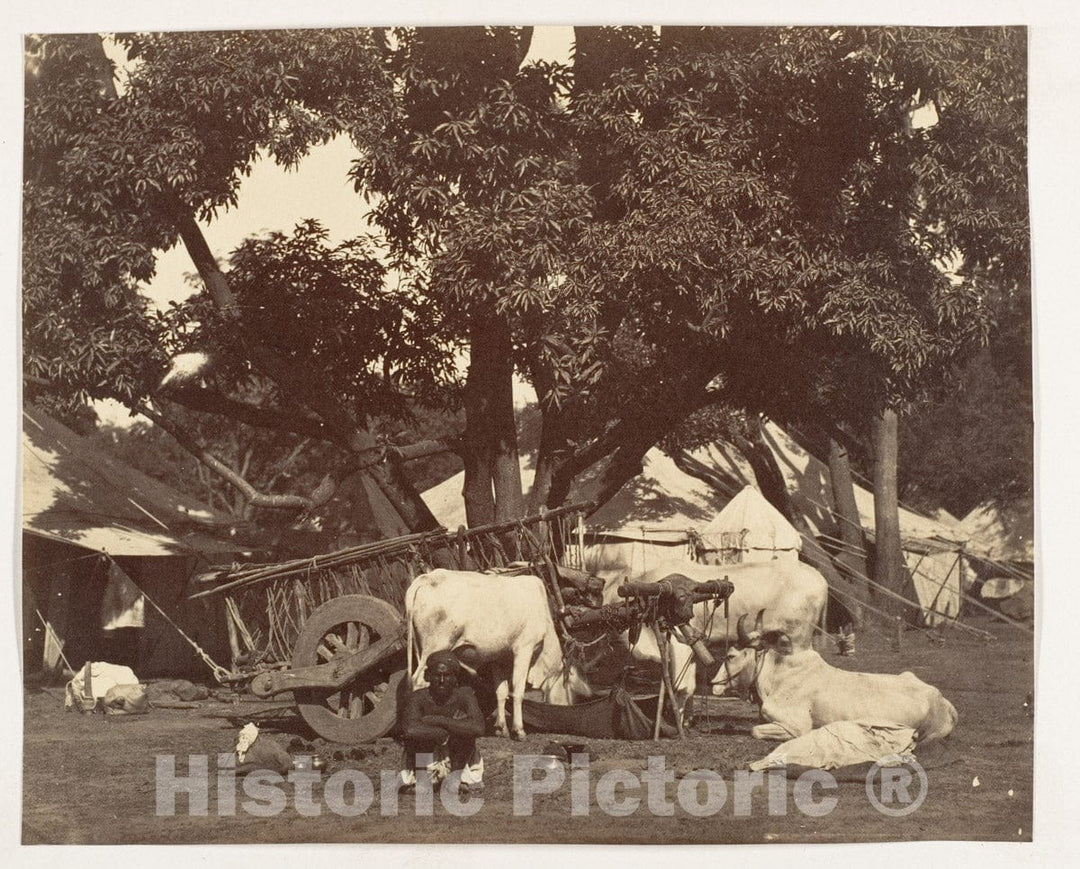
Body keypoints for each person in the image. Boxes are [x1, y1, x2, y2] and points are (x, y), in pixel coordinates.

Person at [398, 649, 485, 793]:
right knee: (419, 737)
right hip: (424, 760)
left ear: (456, 678)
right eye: (437, 675)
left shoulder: (465, 697)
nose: (442, 680)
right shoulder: (417, 697)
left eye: (448, 675)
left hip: (457, 760)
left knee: (465, 732)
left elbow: (478, 728)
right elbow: (410, 730)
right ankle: (422, 781)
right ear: (427, 676)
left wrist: (437, 720)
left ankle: (455, 780)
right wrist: (446, 730)